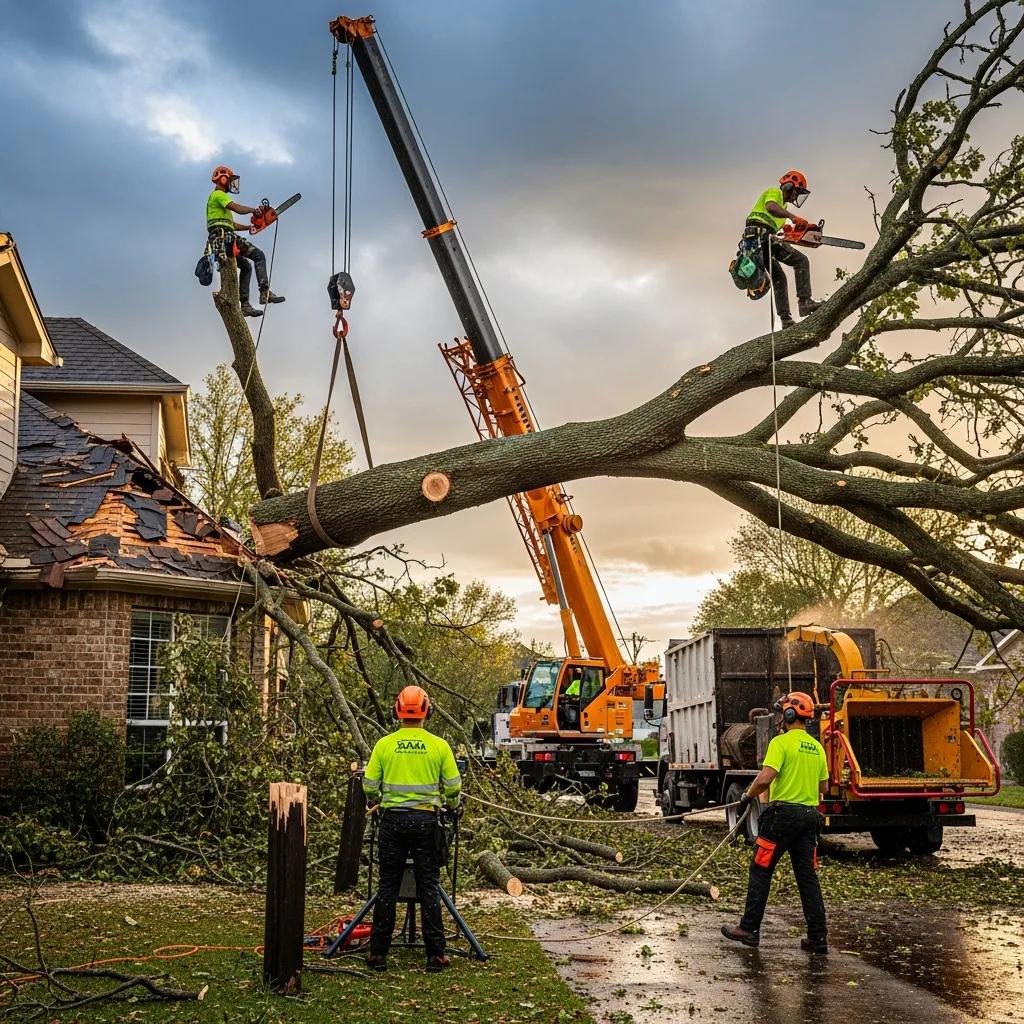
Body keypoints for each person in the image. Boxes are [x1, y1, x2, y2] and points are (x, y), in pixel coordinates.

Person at [362, 684, 463, 973]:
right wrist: (449, 804)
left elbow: (369, 785)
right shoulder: (439, 746)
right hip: (426, 823)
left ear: (397, 710)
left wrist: (378, 800)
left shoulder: (384, 745)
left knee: (387, 886)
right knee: (429, 887)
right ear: (427, 711)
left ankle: (378, 954)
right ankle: (435, 955)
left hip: (392, 822)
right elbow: (454, 787)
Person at [721, 691, 830, 954]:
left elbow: (765, 778)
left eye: (783, 713)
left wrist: (747, 796)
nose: (780, 717)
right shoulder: (817, 747)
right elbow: (824, 785)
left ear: (790, 715)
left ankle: (749, 929)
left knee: (760, 870)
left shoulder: (780, 743)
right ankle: (818, 938)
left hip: (781, 818)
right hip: (809, 818)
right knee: (807, 878)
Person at [744, 171, 821, 328]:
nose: (794, 198)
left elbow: (780, 231)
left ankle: (785, 320)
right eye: (796, 192)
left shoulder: (782, 209)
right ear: (789, 185)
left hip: (759, 242)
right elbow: (770, 207)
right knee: (801, 260)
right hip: (761, 236)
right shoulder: (775, 192)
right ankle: (805, 302)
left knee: (779, 278)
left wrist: (795, 231)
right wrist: (793, 218)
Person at [206, 165, 286, 318]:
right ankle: (265, 292)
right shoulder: (219, 195)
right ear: (223, 179)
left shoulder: (219, 203)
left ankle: (245, 305)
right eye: (230, 180)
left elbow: (232, 224)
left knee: (246, 267)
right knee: (258, 255)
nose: (231, 184)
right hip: (224, 237)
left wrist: (249, 227)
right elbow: (236, 207)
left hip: (221, 237)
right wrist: (253, 210)